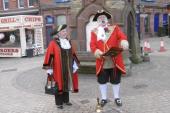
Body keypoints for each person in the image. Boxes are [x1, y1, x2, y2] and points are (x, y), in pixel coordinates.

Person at [90, 10, 129, 107]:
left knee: (116, 80)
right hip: (102, 61)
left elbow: (121, 36)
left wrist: (123, 41)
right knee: (102, 81)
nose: (102, 19)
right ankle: (104, 98)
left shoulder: (115, 28)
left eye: (103, 17)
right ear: (97, 20)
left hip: (114, 60)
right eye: (100, 18)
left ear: (107, 19)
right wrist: (96, 51)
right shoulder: (94, 32)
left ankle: (116, 97)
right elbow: (92, 44)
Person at [43, 24, 79, 109]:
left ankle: (66, 100)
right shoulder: (53, 43)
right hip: (58, 69)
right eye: (63, 31)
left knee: (67, 83)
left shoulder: (68, 42)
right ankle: (59, 103)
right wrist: (49, 69)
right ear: (58, 33)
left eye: (65, 31)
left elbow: (73, 54)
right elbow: (49, 56)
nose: (65, 33)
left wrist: (74, 64)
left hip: (68, 68)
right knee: (58, 84)